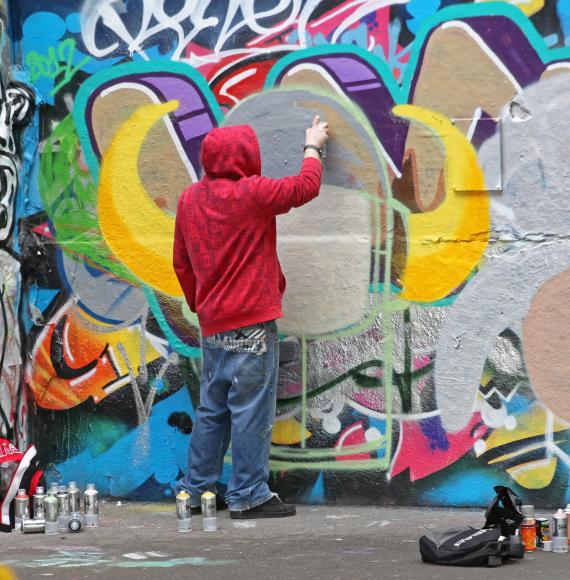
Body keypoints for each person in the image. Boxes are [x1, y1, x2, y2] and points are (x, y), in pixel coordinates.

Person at [173, 116, 329, 519]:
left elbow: (182, 262)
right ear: (246, 155)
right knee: (250, 409)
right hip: (252, 325)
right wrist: (312, 145)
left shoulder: (190, 199)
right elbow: (304, 187)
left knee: (213, 408)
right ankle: (247, 494)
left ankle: (195, 493)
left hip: (213, 325)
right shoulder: (252, 193)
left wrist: (200, 305)